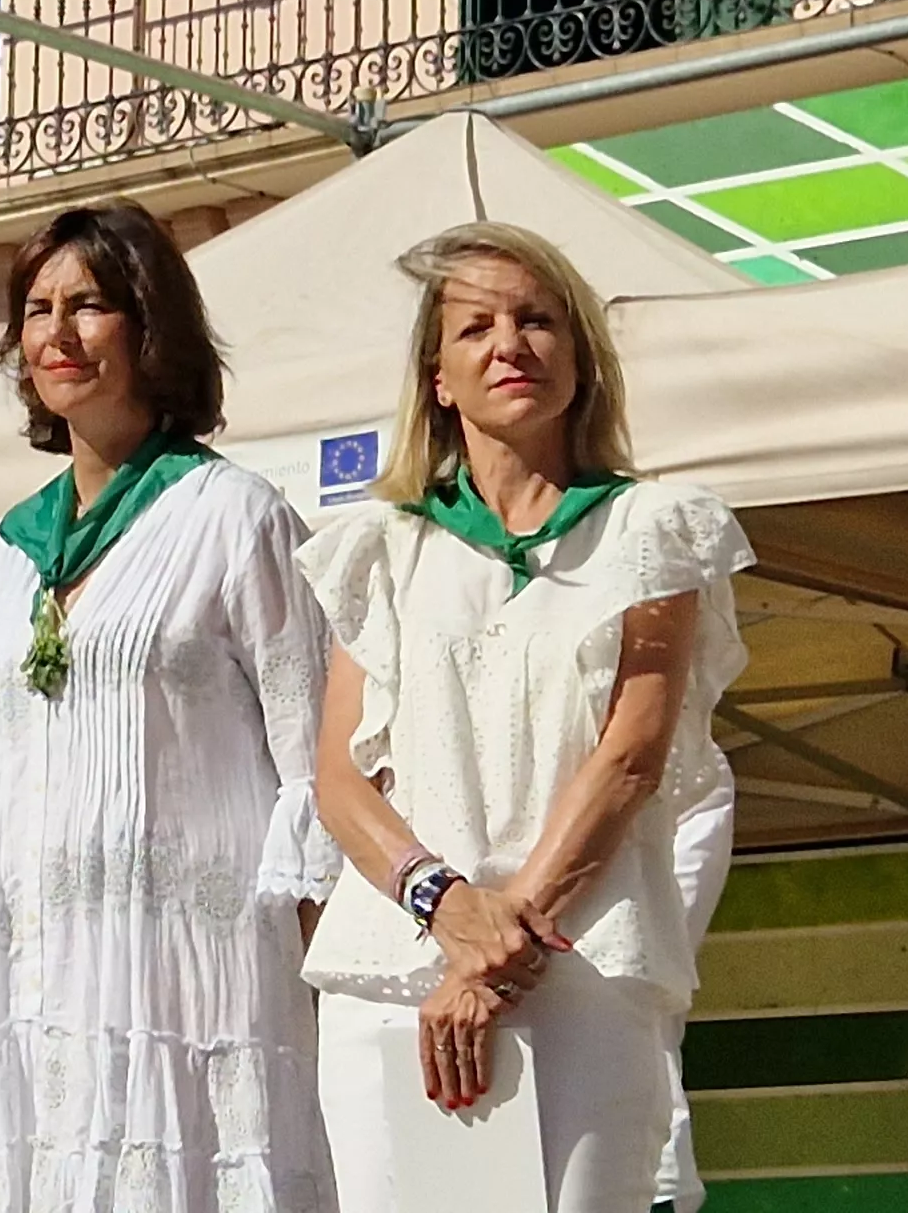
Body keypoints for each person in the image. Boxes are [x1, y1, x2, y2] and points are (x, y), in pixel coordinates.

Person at [297, 222, 749, 1213]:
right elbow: (339, 778)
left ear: (580, 359)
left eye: (538, 320)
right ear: (437, 377)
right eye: (477, 327)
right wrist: (446, 907)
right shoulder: (378, 546)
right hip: (390, 974)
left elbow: (629, 759)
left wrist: (496, 957)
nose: (510, 344)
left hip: (580, 971)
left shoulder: (652, 531)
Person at [0, 201, 336, 1210]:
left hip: (190, 972)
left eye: (89, 306)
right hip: (33, 973)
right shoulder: (2, 556)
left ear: (150, 325)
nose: (57, 335)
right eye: (37, 310)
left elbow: (317, 760)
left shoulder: (235, 517)